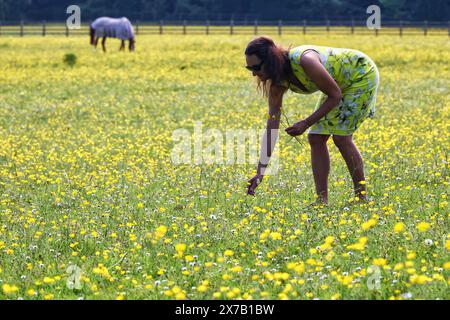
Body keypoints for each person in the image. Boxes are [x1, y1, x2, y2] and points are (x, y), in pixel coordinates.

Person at [245, 36, 379, 204]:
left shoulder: (305, 60)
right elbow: (272, 126)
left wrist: (305, 123)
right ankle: (321, 201)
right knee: (316, 138)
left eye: (256, 67)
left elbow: (335, 95)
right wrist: (261, 171)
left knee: (342, 138)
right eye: (249, 68)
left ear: (270, 61)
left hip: (360, 74)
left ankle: (362, 197)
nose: (253, 73)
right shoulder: (277, 84)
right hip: (337, 85)